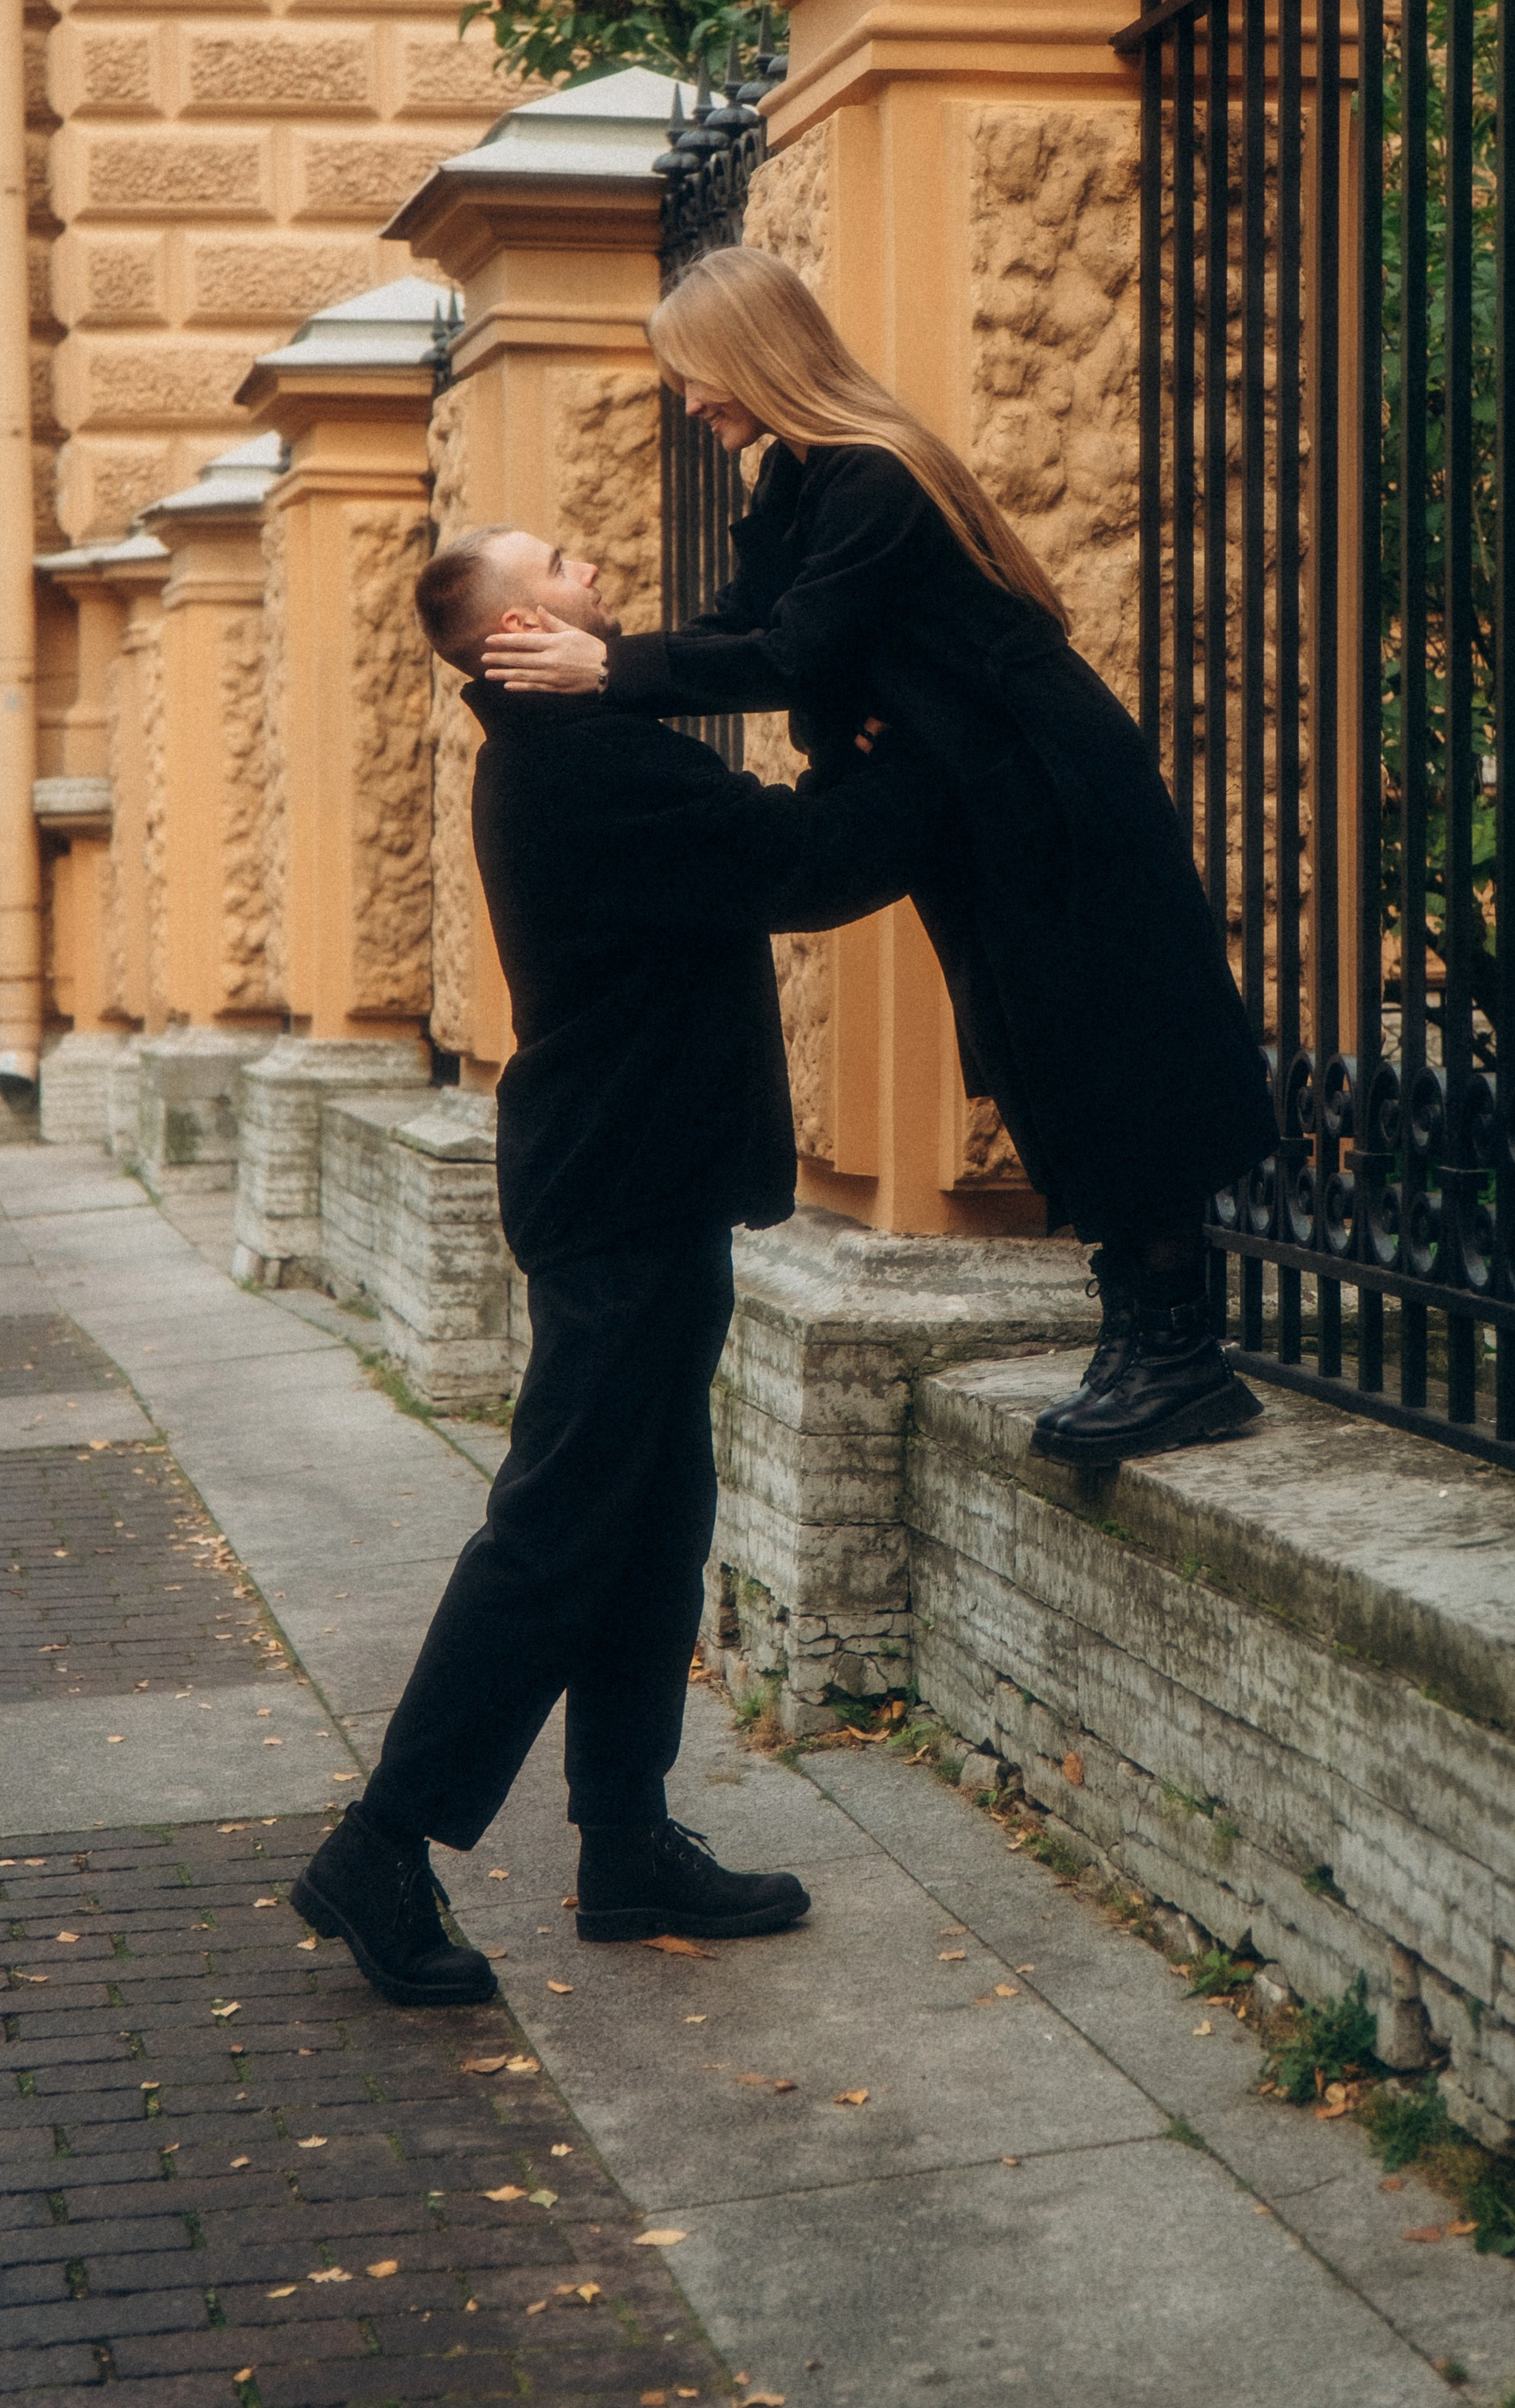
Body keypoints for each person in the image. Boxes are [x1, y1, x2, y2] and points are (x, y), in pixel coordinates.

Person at [481, 244, 1277, 1473]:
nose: (691, 404)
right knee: (1034, 1051)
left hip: (1050, 791)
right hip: (972, 794)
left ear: (757, 355)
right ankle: (1140, 1335)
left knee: (1108, 1047)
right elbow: (752, 629)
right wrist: (609, 693)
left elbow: (799, 649)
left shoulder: (873, 477)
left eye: (697, 378)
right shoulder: (800, 483)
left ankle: (1181, 1356)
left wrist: (614, 671)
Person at [292, 521, 933, 2009]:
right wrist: (928, 759)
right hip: (626, 1188)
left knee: (652, 1519)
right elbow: (800, 859)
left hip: (641, 1179)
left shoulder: (575, 739)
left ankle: (627, 1840)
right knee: (560, 1529)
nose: (595, 563)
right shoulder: (587, 763)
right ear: (516, 628)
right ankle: (383, 1843)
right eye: (564, 563)